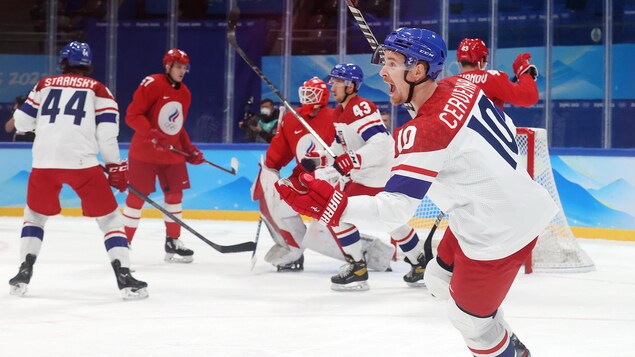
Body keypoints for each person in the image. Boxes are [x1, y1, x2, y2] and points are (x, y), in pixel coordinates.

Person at [276, 28, 557, 357]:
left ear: (419, 70)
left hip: (499, 231)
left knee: (470, 323)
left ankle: (506, 347)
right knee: (437, 279)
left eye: (392, 63)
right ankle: (493, 323)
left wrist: (336, 208)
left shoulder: (425, 131)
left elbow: (395, 209)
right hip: (498, 207)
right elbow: (451, 121)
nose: (381, 71)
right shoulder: (464, 85)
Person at [8, 41, 148, 300]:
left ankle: (24, 269)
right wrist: (114, 166)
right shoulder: (100, 90)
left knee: (35, 216)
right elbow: (107, 136)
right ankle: (124, 274)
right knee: (110, 220)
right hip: (83, 166)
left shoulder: (44, 84)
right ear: (89, 65)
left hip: (44, 163)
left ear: (63, 62)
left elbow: (22, 123)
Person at [251, 76, 393, 274]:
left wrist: (348, 164)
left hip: (336, 180)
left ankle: (374, 256)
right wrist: (269, 169)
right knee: (282, 208)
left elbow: (351, 147)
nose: (308, 97)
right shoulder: (292, 117)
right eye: (305, 93)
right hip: (305, 178)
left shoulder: (336, 115)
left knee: (328, 228)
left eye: (313, 93)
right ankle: (292, 250)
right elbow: (279, 151)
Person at [301, 63, 420, 291]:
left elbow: (381, 144)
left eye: (336, 81)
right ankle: (420, 261)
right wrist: (320, 159)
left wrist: (352, 160)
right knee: (392, 221)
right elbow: (341, 145)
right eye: (332, 81)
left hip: (375, 175)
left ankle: (357, 268)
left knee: (336, 213)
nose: (332, 85)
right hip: (366, 175)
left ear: (350, 85)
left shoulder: (360, 108)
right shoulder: (341, 111)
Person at [122, 48, 205, 263]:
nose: (182, 71)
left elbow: (176, 127)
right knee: (136, 198)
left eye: (185, 68)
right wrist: (150, 134)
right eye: (178, 67)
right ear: (167, 66)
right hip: (144, 153)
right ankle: (123, 244)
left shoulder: (185, 93)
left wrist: (189, 149)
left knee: (175, 196)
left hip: (171, 155)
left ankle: (173, 241)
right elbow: (132, 115)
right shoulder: (152, 83)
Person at [456, 38, 539, 110]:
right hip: (486, 128)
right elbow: (528, 97)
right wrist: (524, 71)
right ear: (481, 60)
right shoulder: (491, 78)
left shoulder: (448, 84)